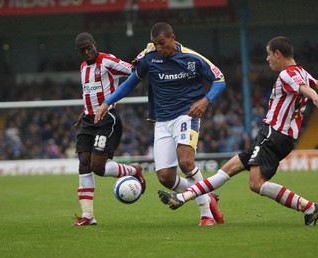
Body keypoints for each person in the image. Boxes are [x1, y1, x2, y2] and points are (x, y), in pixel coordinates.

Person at [158, 36, 318, 226]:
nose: (267, 59)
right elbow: (311, 82)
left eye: (269, 55)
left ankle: (309, 207)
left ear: (278, 54)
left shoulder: (287, 75)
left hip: (273, 134)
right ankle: (183, 197)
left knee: (256, 184)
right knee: (227, 170)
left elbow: (304, 88)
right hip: (280, 138)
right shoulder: (300, 71)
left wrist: (316, 97)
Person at [95, 22, 225, 226]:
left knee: (186, 162)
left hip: (186, 115)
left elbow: (219, 80)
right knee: (165, 177)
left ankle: (206, 214)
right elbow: (130, 84)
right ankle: (206, 195)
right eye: (155, 44)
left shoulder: (193, 58)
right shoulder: (150, 58)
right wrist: (107, 102)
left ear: (173, 38)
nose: (159, 48)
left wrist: (206, 100)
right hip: (162, 121)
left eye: (162, 43)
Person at [72, 32, 146, 226]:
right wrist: (85, 111)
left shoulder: (107, 61)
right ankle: (88, 216)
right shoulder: (82, 67)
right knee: (83, 163)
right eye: (83, 50)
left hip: (106, 119)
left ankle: (133, 171)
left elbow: (133, 71)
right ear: (78, 52)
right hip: (88, 120)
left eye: (89, 48)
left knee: (98, 167)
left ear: (95, 45)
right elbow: (90, 92)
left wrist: (138, 62)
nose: (87, 52)